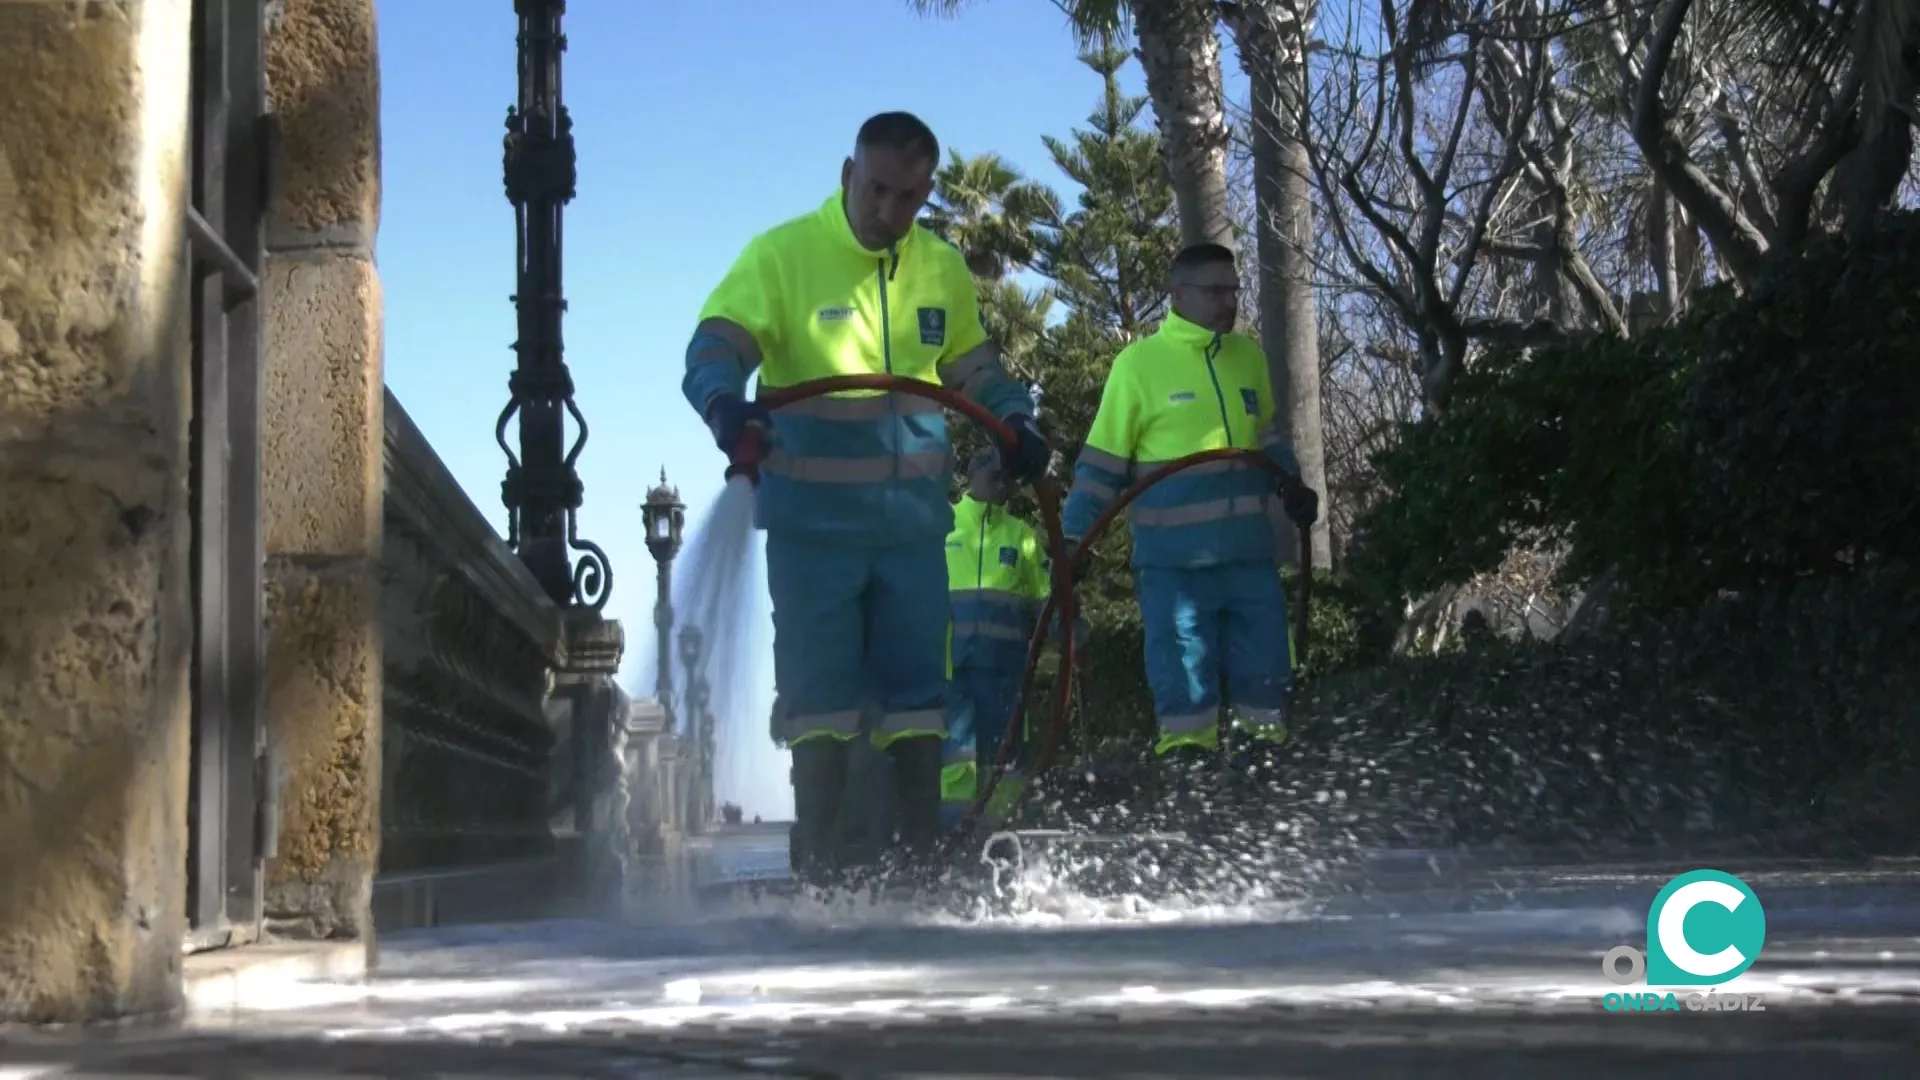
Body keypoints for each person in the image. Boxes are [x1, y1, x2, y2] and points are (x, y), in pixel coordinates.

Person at [682, 112, 1050, 879]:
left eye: (910, 198)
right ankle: (823, 869)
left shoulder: (939, 268)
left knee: (918, 700)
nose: (891, 212)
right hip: (813, 533)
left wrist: (1014, 417)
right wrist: (724, 402)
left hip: (913, 531)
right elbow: (716, 345)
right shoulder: (783, 256)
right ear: (847, 175)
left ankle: (914, 868)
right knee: (821, 701)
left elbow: (972, 367)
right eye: (878, 190)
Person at [1059, 242, 1319, 782]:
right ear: (1177, 296)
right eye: (1215, 291)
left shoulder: (1248, 358)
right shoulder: (1138, 367)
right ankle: (1190, 807)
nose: (1229, 302)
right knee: (1186, 703)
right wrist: (1073, 539)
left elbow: (1267, 437)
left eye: (1233, 290)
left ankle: (1262, 804)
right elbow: (1101, 467)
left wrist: (1290, 482)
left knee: (1267, 693)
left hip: (1250, 562)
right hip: (1175, 573)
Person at [941, 448, 1054, 830]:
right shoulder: (943, 526)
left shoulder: (1023, 537)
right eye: (997, 476)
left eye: (1009, 479)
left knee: (1003, 760)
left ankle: (1002, 835)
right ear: (973, 474)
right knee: (955, 757)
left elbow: (1044, 601)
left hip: (1004, 672)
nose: (1004, 485)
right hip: (950, 668)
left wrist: (1069, 631)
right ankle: (952, 834)